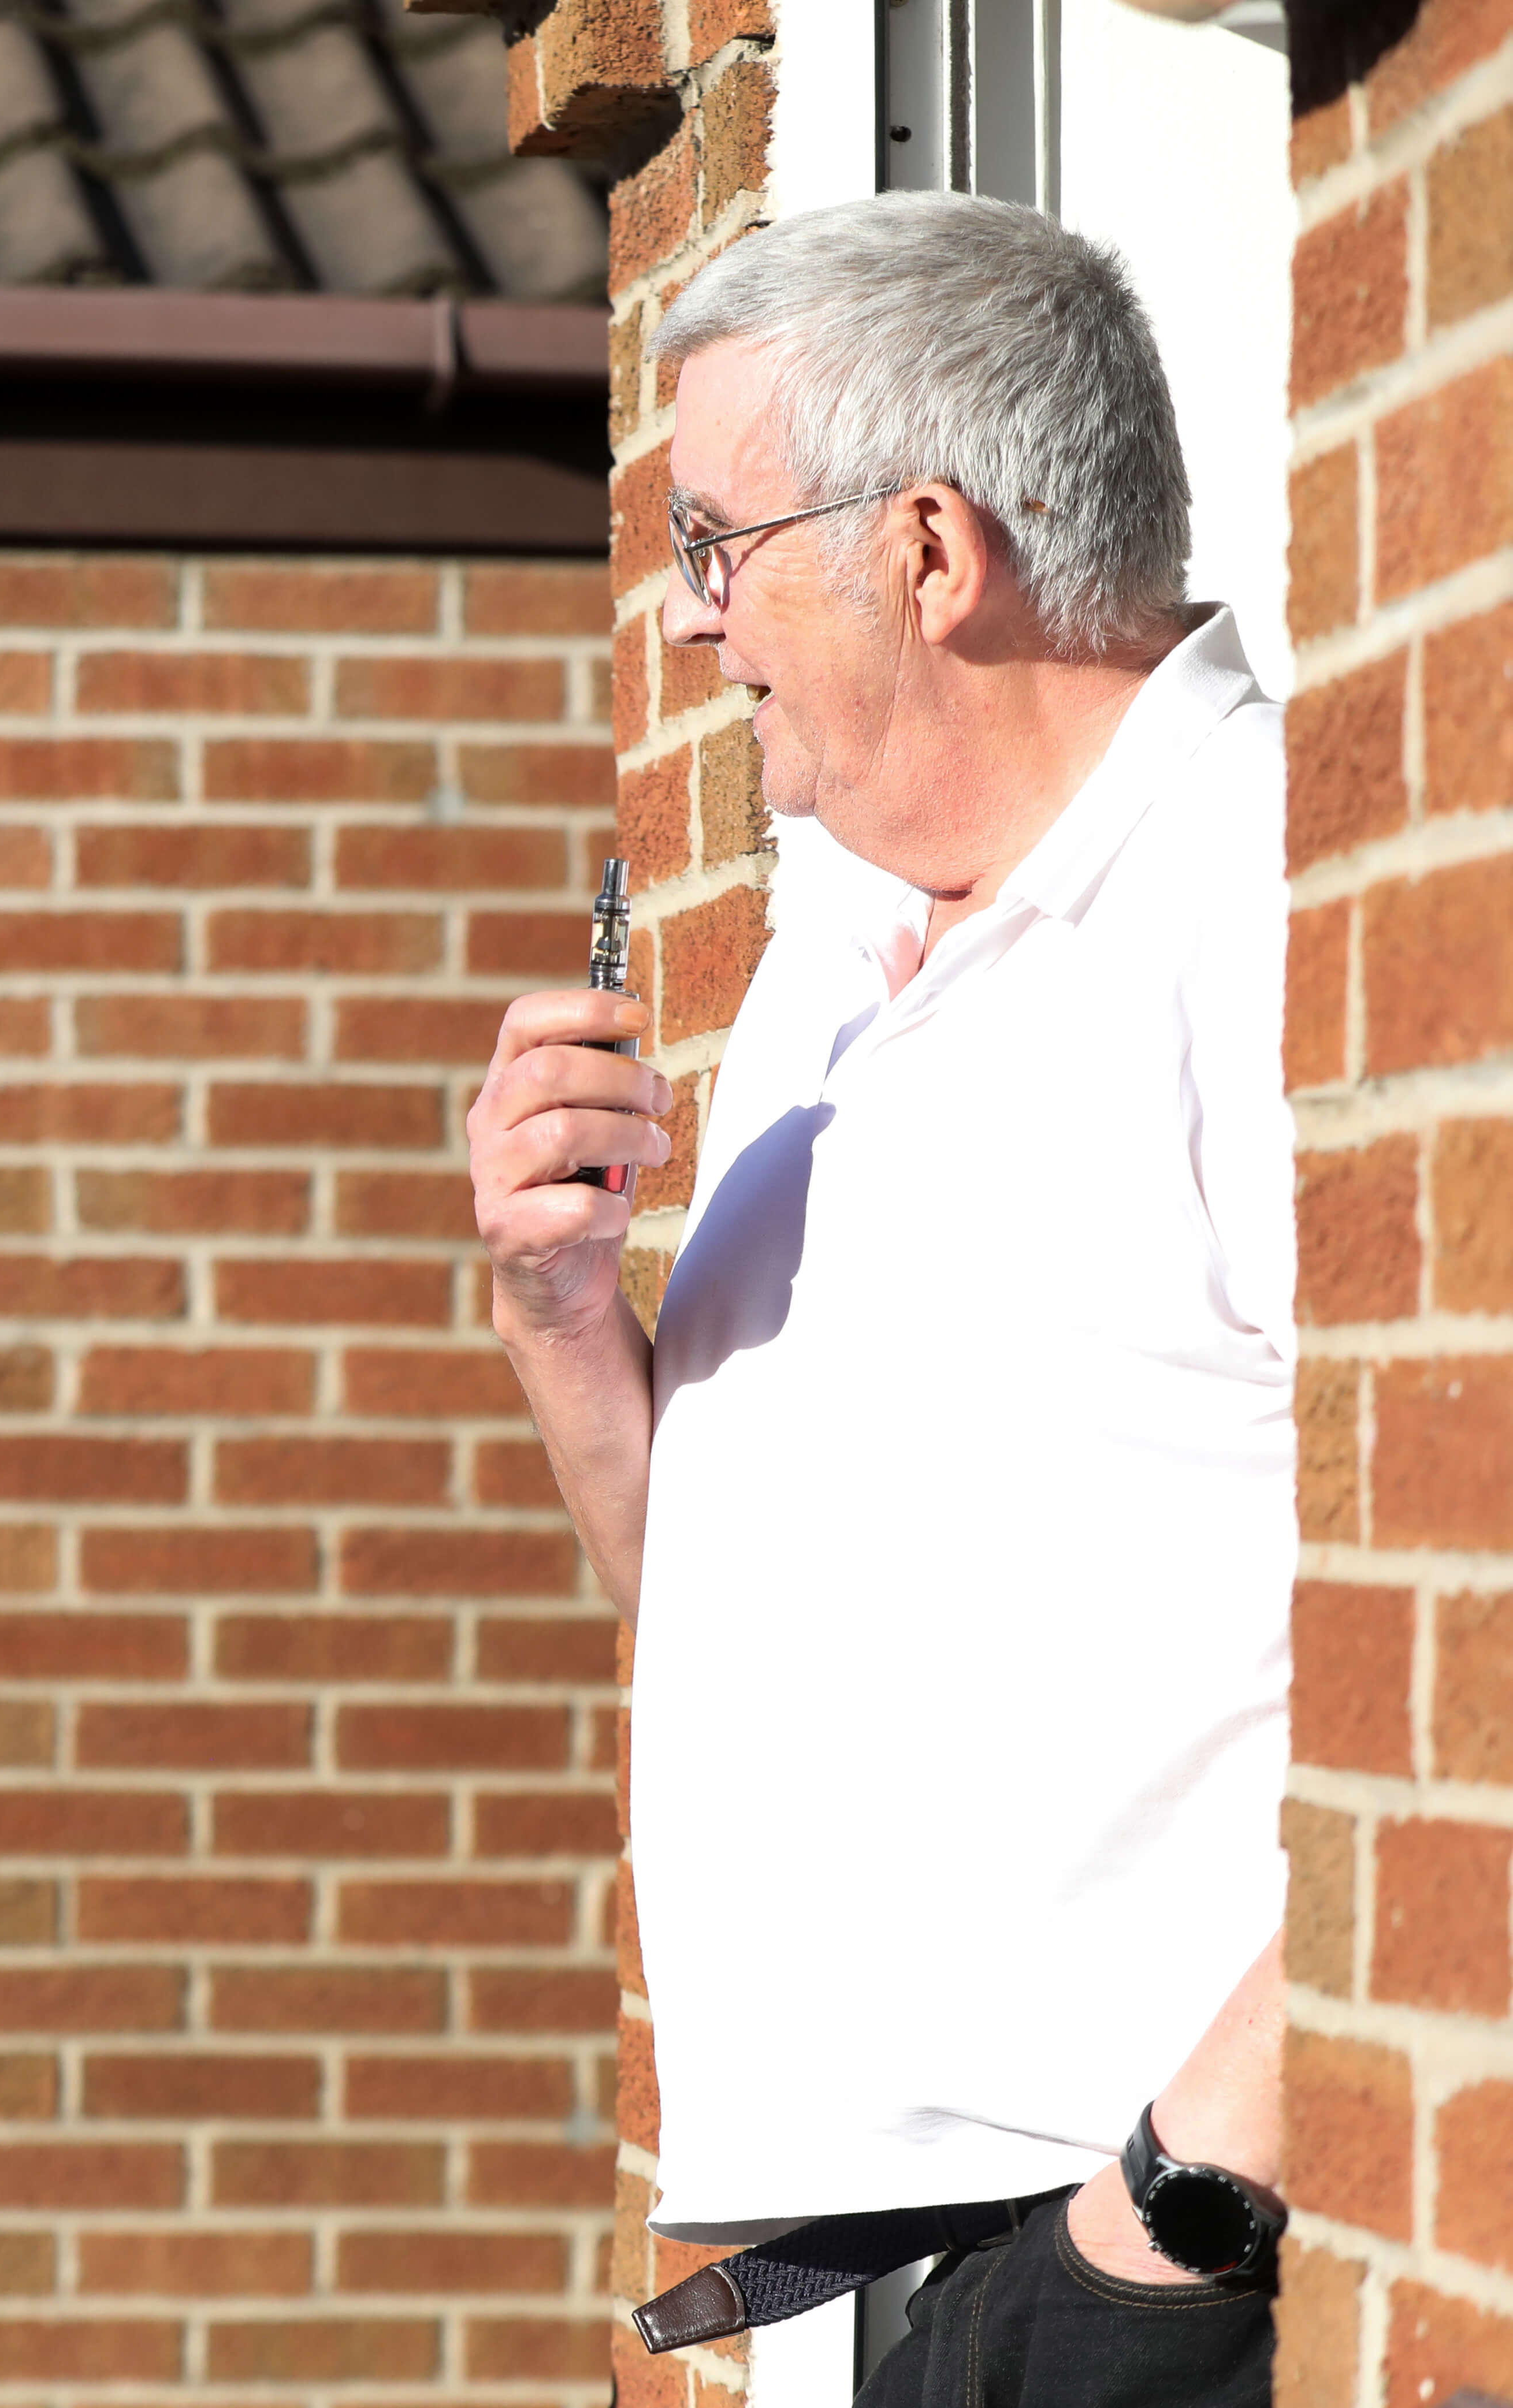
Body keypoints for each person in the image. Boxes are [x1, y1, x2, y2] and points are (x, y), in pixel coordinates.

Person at [469, 195, 1292, 2407]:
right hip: (929, 2266)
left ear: (929, 550)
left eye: (716, 539)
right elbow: (714, 1601)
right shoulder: (834, 944)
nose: (691, 610)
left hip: (1161, 2272)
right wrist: (562, 1313)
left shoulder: (1258, 893)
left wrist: (1171, 2223)